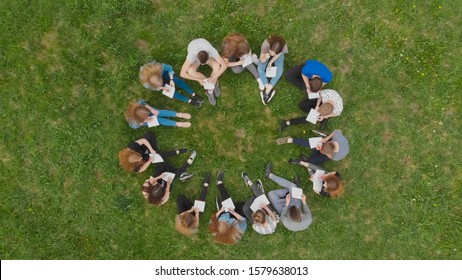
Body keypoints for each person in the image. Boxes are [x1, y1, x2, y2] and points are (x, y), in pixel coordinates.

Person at [264, 162, 312, 232]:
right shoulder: (308, 219)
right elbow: (307, 211)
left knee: (271, 194)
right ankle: (270, 175)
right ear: (300, 213)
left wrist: (287, 204)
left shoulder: (285, 221)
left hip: (284, 210)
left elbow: (283, 214)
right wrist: (304, 202)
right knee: (293, 187)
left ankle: (293, 190)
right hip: (296, 205)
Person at [180, 38, 227, 106]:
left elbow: (224, 65)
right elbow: (182, 73)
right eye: (202, 64)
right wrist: (199, 79)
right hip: (195, 51)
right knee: (190, 71)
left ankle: (213, 84)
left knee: (217, 66)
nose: (203, 65)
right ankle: (209, 89)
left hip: (205, 52)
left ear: (208, 56)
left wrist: (215, 77)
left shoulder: (212, 51)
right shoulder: (192, 55)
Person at [118, 131, 188, 173]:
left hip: (144, 148)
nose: (141, 158)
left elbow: (143, 140)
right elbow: (142, 169)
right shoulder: (134, 167)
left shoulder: (131, 147)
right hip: (147, 157)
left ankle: (157, 155)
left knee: (149, 135)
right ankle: (176, 151)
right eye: (139, 160)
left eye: (139, 156)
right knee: (160, 157)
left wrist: (151, 149)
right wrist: (149, 161)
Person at [208, 171, 247, 244]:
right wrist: (233, 212)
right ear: (230, 226)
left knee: (227, 205)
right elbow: (243, 220)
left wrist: (220, 211)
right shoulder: (239, 230)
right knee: (244, 207)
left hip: (224, 213)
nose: (223, 221)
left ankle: (219, 184)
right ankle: (220, 186)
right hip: (235, 218)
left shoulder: (214, 231)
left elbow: (212, 219)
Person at [276, 129, 350, 165]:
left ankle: (309, 158)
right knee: (310, 144)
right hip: (328, 143)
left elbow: (330, 157)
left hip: (329, 153)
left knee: (311, 161)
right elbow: (336, 131)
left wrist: (323, 152)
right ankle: (289, 139)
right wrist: (325, 140)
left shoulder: (336, 156)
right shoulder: (337, 137)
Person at [257, 35, 288, 104]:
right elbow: (261, 60)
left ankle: (266, 91)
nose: (271, 55)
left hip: (278, 54)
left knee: (279, 72)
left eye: (273, 54)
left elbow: (278, 54)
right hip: (265, 55)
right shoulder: (265, 45)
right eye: (271, 52)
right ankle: (268, 91)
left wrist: (270, 62)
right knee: (260, 70)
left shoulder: (283, 46)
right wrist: (265, 58)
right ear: (270, 48)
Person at [125, 100, 191, 129]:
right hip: (144, 121)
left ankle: (178, 114)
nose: (148, 116)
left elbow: (143, 103)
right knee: (158, 120)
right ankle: (178, 124)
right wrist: (147, 120)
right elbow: (139, 124)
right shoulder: (134, 124)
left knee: (158, 112)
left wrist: (151, 109)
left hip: (147, 110)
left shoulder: (138, 104)